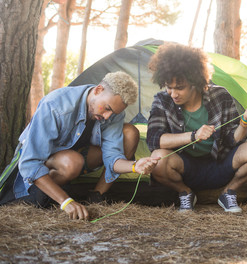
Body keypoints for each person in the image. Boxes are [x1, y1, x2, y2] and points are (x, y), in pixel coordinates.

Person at [0, 72, 159, 220]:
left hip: (76, 156)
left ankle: (95, 194)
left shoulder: (112, 114)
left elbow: (113, 158)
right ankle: (43, 194)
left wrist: (135, 166)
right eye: (107, 109)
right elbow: (30, 162)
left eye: (114, 113)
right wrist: (66, 202)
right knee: (72, 162)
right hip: (45, 162)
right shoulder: (56, 105)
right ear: (98, 90)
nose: (107, 117)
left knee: (130, 132)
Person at [146, 43, 247, 213]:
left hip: (220, 164)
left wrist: (245, 121)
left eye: (180, 88)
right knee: (157, 158)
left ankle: (228, 192)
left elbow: (232, 139)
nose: (173, 94)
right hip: (185, 167)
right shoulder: (162, 100)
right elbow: (154, 140)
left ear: (195, 82)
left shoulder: (220, 95)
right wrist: (193, 135)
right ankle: (185, 193)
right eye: (169, 87)